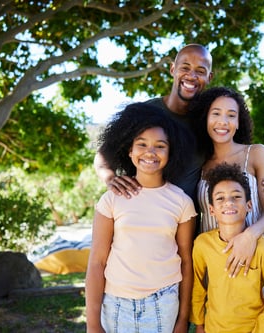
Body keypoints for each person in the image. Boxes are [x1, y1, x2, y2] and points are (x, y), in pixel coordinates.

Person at [93, 44, 264, 212]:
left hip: (189, 228)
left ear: (209, 77)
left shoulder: (209, 122)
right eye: (185, 67)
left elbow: (235, 159)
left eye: (200, 71)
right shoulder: (145, 113)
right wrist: (110, 178)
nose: (191, 75)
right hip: (143, 218)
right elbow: (103, 156)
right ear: (172, 69)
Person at [189, 86, 264, 332]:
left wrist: (249, 237)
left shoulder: (256, 153)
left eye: (231, 115)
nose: (223, 121)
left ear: (239, 122)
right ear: (205, 118)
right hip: (215, 263)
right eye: (216, 113)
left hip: (253, 255)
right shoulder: (198, 162)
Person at [85, 103, 196, 333]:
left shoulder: (181, 202)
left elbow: (186, 262)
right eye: (142, 144)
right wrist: (92, 323)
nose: (150, 152)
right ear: (130, 151)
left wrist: (183, 319)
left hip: (163, 302)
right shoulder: (112, 199)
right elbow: (97, 262)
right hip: (116, 304)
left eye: (160, 146)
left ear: (170, 152)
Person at [190, 162, 264, 333]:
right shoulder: (203, 244)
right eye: (220, 198)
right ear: (211, 210)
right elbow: (197, 286)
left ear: (249, 205)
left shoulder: (263, 248)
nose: (228, 202)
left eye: (236, 196)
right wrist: (199, 323)